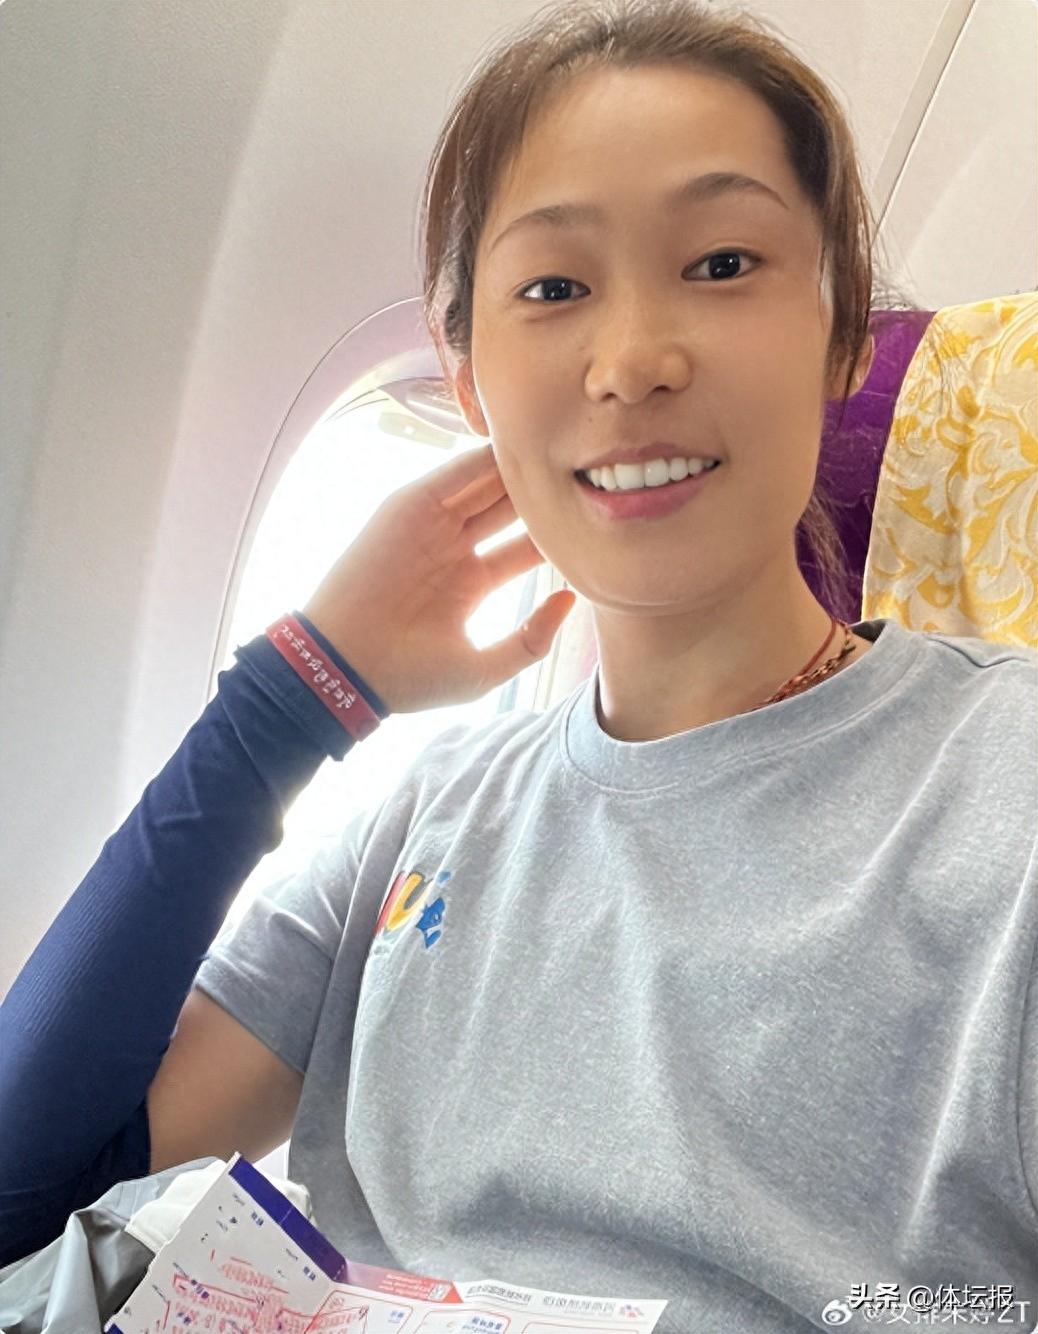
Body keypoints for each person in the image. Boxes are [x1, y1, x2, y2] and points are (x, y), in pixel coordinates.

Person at [2, 0, 1036, 1327]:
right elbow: (31, 1193)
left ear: (842, 337)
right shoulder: (422, 817)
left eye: (722, 263)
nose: (633, 361)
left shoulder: (1002, 792)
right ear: (470, 380)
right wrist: (292, 694)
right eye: (552, 288)